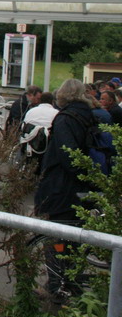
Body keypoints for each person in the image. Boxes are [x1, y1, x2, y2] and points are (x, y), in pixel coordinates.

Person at [35, 79, 98, 300]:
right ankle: (70, 282)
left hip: (61, 188)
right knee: (73, 239)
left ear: (62, 95)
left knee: (56, 237)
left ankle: (56, 288)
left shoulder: (65, 119)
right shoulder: (89, 115)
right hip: (83, 188)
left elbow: (67, 155)